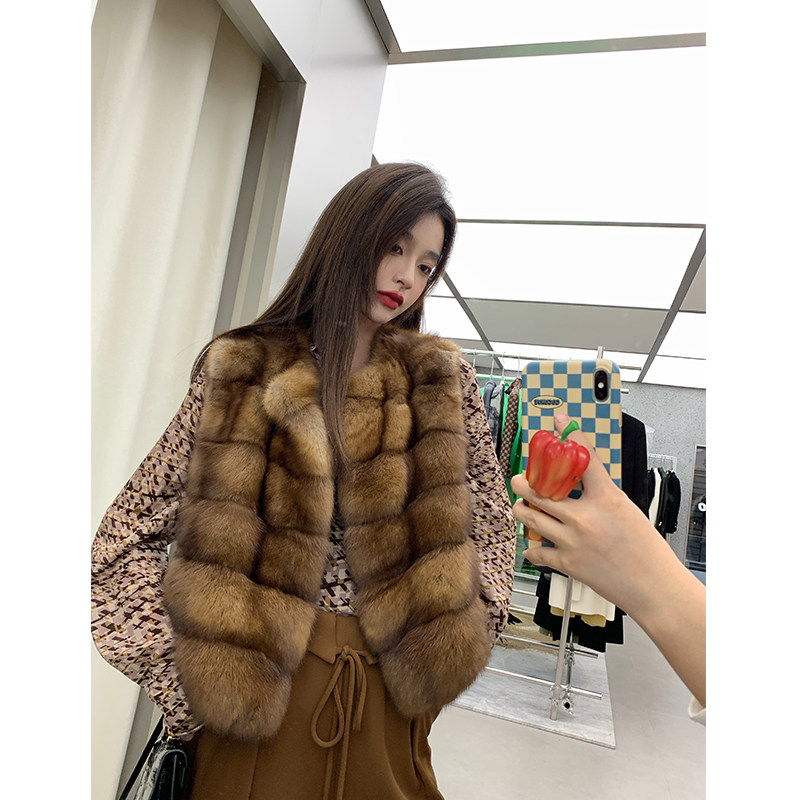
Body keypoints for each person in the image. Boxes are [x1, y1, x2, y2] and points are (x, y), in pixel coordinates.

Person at [91, 162, 518, 800]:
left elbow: (492, 526)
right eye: (395, 247)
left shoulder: (441, 381)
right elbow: (121, 543)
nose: (407, 276)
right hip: (252, 716)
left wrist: (453, 650)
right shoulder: (244, 368)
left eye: (427, 265)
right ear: (348, 237)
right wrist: (195, 681)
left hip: (388, 714)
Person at [511, 413, 706, 721]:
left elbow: (636, 492)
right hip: (582, 534)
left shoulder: (632, 429)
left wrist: (642, 564)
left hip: (600, 537)